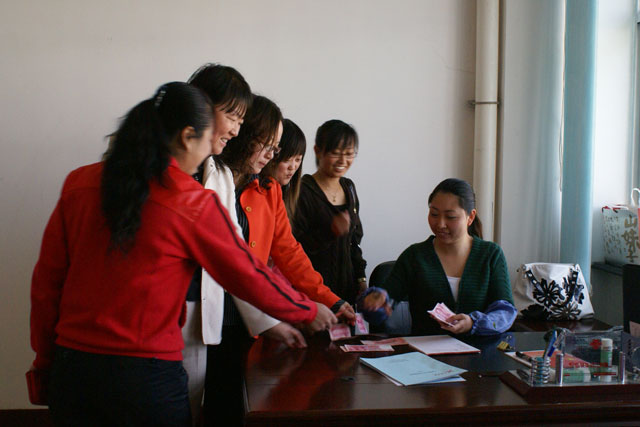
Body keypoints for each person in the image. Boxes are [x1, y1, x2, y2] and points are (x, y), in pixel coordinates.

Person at [29, 82, 336, 427]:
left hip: (73, 371)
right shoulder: (191, 201)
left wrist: (44, 362)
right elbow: (247, 274)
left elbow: (46, 285)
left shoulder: (78, 183)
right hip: (145, 378)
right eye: (209, 142)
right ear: (188, 137)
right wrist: (308, 310)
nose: (209, 156)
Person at [206, 95, 355, 426]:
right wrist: (298, 310)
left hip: (252, 313)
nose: (273, 156)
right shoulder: (214, 180)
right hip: (215, 311)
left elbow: (289, 252)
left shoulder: (269, 188)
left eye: (277, 148)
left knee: (242, 402)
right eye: (268, 146)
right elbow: (234, 261)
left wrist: (330, 299)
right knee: (215, 399)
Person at [185, 65, 307, 425]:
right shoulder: (180, 178)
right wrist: (299, 310)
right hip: (157, 329)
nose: (235, 130)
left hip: (218, 318)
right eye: (234, 118)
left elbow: (242, 256)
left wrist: (284, 314)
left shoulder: (220, 177)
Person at [361, 178, 517, 336]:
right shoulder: (414, 256)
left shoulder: (490, 254)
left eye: (450, 217)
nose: (440, 224)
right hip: (425, 350)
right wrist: (373, 304)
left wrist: (473, 322)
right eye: (434, 214)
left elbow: (505, 311)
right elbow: (382, 306)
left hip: (479, 349)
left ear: (470, 217)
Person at [292, 119, 367, 306]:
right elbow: (294, 248)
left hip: (347, 292)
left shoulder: (349, 188)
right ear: (318, 151)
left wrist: (361, 279)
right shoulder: (302, 191)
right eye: (335, 153)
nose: (343, 161)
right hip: (313, 293)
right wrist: (330, 232)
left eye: (349, 154)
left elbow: (354, 242)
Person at [262, 118, 306, 220]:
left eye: (298, 160)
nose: (292, 167)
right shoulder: (260, 194)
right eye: (287, 159)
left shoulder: (291, 197)